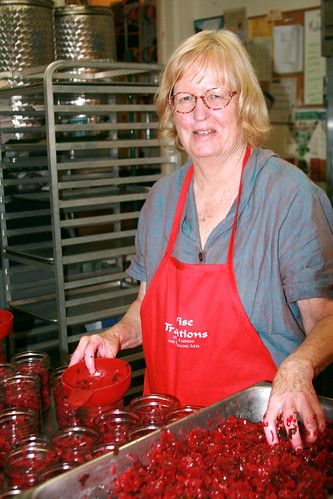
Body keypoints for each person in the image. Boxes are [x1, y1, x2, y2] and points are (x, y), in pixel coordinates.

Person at [70, 29, 333, 451]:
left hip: (259, 440)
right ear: (171, 110)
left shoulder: (289, 198)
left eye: (215, 96)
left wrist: (298, 368)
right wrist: (115, 335)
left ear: (242, 102)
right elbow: (147, 305)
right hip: (165, 440)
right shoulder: (160, 200)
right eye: (185, 98)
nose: (199, 113)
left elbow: (326, 321)